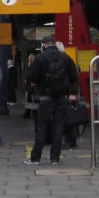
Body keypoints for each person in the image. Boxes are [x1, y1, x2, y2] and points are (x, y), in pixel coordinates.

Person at [24, 35, 79, 165]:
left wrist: (38, 83)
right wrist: (71, 92)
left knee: (41, 128)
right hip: (61, 98)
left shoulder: (40, 58)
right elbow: (74, 76)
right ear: (54, 43)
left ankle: (35, 158)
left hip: (45, 98)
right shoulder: (65, 58)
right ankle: (55, 159)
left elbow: (31, 76)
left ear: (44, 45)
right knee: (58, 129)